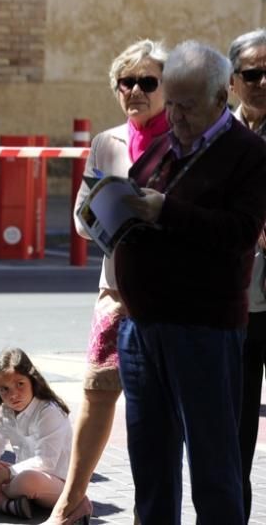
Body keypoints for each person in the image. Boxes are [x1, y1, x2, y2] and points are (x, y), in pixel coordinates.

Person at [115, 41, 266, 525]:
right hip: (142, 326)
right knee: (151, 465)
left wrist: (167, 212)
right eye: (172, 103)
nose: (174, 115)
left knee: (214, 466)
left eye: (186, 105)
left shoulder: (248, 153)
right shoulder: (165, 143)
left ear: (221, 98)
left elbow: (241, 234)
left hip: (203, 328)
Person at [45, 39, 168, 525]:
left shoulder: (182, 141)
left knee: (157, 408)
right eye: (127, 82)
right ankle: (71, 501)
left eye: (148, 82)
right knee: (96, 393)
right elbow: (80, 215)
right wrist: (107, 216)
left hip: (168, 297)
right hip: (115, 290)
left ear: (167, 88)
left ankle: (151, 510)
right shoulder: (106, 142)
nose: (135, 91)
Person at [0, 348, 72, 520]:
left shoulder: (48, 411)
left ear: (32, 380)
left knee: (26, 481)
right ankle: (7, 503)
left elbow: (46, 460)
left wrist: (6, 473)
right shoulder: (7, 410)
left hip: (53, 482)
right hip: (15, 477)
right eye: (5, 389)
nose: (13, 395)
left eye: (20, 384)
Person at [227, 29, 266, 524]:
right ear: (233, 82)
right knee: (232, 435)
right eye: (252, 74)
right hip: (231, 310)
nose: (262, 82)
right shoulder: (218, 138)